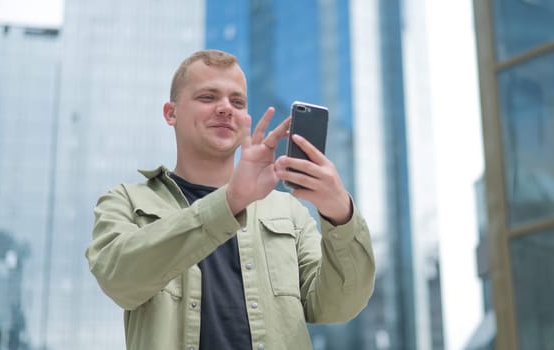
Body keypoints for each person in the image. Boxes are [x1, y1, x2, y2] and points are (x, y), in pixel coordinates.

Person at [85, 49, 375, 350]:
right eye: (208, 97)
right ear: (171, 113)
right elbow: (119, 281)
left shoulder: (289, 212)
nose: (225, 108)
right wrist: (230, 201)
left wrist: (340, 214)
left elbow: (339, 305)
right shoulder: (126, 201)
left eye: (237, 101)